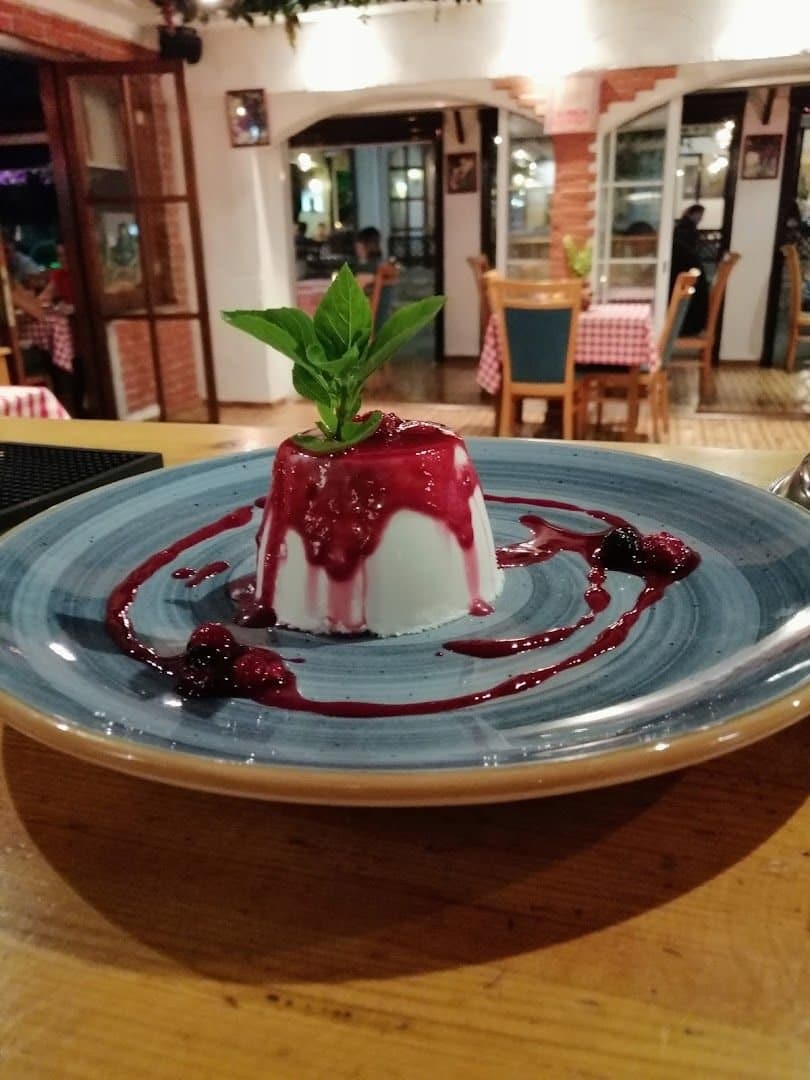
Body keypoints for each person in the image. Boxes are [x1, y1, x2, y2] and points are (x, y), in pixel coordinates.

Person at [670, 204, 709, 335]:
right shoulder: (689, 231)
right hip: (694, 321)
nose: (701, 218)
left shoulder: (680, 230)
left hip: (683, 324)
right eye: (700, 215)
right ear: (694, 214)